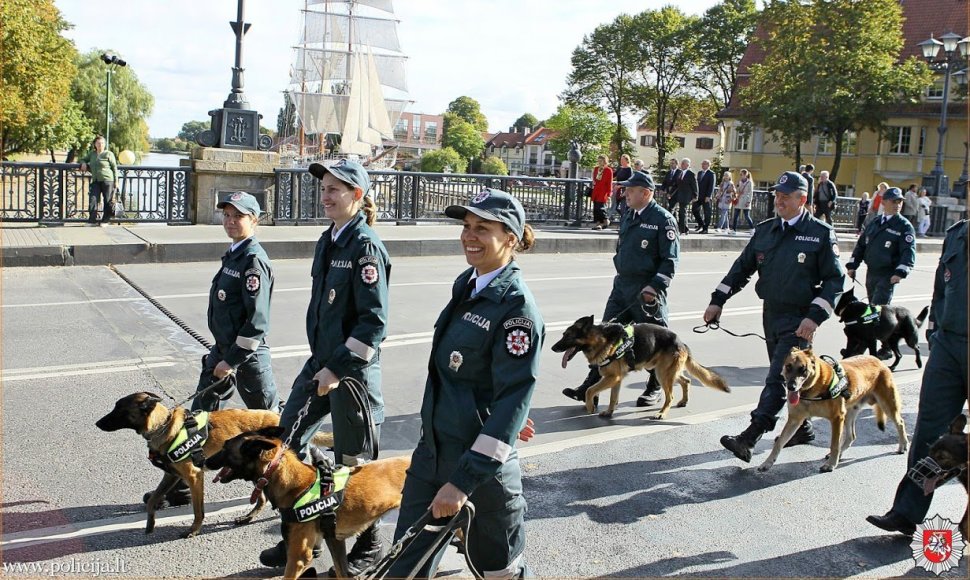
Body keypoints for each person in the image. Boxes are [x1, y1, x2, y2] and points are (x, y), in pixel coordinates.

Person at [388, 189, 544, 578]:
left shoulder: (516, 309)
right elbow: (465, 379)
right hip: (432, 455)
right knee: (403, 567)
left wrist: (461, 482)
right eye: (466, 226)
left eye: (482, 229)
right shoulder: (468, 283)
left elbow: (512, 399)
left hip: (482, 476)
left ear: (511, 237)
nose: (469, 236)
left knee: (499, 574)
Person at [259, 159, 391, 574]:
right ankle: (302, 539)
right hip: (319, 364)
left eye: (336, 189)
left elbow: (374, 324)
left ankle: (369, 543)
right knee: (285, 446)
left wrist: (337, 368)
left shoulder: (366, 247)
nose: (326, 195)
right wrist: (323, 364)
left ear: (357, 196)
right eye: (325, 187)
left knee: (356, 464)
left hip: (350, 376)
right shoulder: (328, 239)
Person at [144, 191, 279, 510]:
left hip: (246, 360)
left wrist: (231, 361)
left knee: (270, 429)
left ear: (254, 220)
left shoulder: (253, 260)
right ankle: (182, 485)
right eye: (227, 215)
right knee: (195, 424)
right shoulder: (234, 253)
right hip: (222, 354)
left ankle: (292, 487)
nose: (231, 221)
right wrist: (220, 356)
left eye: (239, 216)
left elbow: (257, 323)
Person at [704, 171, 845, 463]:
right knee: (783, 375)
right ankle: (802, 428)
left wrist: (814, 317)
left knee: (776, 378)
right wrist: (718, 300)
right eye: (776, 195)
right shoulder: (766, 230)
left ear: (802, 199)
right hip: (771, 314)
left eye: (785, 196)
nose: (778, 200)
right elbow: (740, 269)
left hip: (800, 320)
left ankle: (751, 436)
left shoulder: (819, 233)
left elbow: (835, 281)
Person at [866, 219, 967, 537]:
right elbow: (941, 289)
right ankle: (906, 512)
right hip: (948, 347)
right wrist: (936, 328)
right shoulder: (956, 235)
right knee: (929, 431)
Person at [562, 171, 678, 409]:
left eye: (630, 190)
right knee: (603, 338)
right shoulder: (628, 215)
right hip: (622, 286)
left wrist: (654, 286)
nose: (624, 194)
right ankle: (590, 386)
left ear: (645, 193)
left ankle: (654, 388)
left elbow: (670, 260)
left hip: (647, 289)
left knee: (653, 340)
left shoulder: (663, 219)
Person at [845, 187, 916, 306]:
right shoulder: (875, 222)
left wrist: (900, 272)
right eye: (894, 201)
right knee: (873, 306)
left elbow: (908, 251)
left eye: (900, 202)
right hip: (871, 272)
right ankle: (875, 324)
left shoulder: (904, 226)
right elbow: (861, 245)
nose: (897, 205)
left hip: (887, 274)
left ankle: (872, 324)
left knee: (877, 308)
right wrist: (853, 265)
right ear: (883, 202)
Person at [79, 135, 118, 226]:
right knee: (93, 199)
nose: (100, 145)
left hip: (107, 180)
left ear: (105, 144)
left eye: (102, 143)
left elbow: (114, 168)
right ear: (95, 144)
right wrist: (83, 163)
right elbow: (82, 159)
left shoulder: (108, 154)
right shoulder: (92, 154)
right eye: (98, 143)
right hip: (95, 180)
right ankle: (92, 220)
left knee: (107, 200)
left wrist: (116, 181)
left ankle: (105, 221)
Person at [671, 157, 698, 235]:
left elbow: (694, 185)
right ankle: (682, 228)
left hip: (687, 196)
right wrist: (671, 193)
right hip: (680, 195)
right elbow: (676, 185)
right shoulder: (680, 173)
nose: (681, 165)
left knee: (683, 212)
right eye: (681, 163)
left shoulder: (691, 174)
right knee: (679, 212)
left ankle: (684, 230)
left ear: (687, 165)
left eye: (683, 163)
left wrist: (695, 196)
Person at [590, 154, 613, 230]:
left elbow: (609, 183)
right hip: (596, 190)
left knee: (601, 207)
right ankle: (598, 223)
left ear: (605, 161)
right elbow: (594, 179)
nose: (599, 162)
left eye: (601, 161)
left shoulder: (608, 170)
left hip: (603, 191)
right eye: (598, 160)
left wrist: (609, 193)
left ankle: (606, 220)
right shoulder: (596, 169)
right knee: (596, 208)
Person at [693, 159, 715, 234]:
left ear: (708, 165)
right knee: (694, 209)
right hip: (699, 196)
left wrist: (708, 196)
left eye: (704, 164)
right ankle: (700, 223)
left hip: (706, 196)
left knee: (707, 213)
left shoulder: (711, 174)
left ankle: (705, 228)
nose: (703, 165)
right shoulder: (699, 173)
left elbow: (711, 186)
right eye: (702, 164)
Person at [732, 168, 755, 235]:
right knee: (736, 215)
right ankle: (734, 229)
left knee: (746, 215)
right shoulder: (740, 181)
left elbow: (751, 192)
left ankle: (752, 228)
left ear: (745, 174)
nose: (740, 175)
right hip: (739, 199)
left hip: (745, 199)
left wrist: (749, 201)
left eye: (741, 174)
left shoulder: (749, 182)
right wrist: (736, 190)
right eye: (740, 174)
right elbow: (737, 190)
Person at [612, 154, 632, 221]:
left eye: (623, 160)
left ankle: (623, 221)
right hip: (617, 189)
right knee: (615, 207)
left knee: (623, 207)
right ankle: (625, 219)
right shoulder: (620, 168)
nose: (621, 161)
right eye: (621, 160)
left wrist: (621, 185)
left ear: (627, 160)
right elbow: (613, 175)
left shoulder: (629, 170)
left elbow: (630, 181)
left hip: (625, 189)